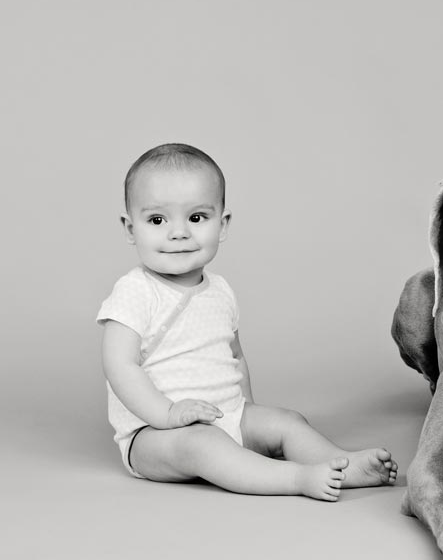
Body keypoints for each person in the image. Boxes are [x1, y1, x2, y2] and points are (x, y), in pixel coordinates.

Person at [97, 143, 397, 500]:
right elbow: (120, 366)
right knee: (202, 444)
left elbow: (236, 357)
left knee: (287, 421)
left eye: (196, 218)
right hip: (155, 435)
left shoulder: (220, 290)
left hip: (225, 414)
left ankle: (342, 463)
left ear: (222, 224)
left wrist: (248, 415)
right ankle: (296, 479)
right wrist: (168, 414)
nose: (178, 233)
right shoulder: (135, 291)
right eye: (157, 220)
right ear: (130, 228)